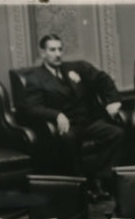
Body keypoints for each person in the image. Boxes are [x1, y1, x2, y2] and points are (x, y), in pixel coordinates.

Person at [19, 33, 125, 201]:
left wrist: (113, 102)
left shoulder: (76, 67)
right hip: (66, 126)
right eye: (52, 50)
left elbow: (103, 79)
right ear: (42, 53)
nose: (58, 53)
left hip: (88, 122)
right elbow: (32, 108)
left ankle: (101, 180)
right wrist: (57, 114)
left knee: (116, 133)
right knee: (68, 140)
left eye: (60, 49)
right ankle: (83, 186)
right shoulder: (35, 79)